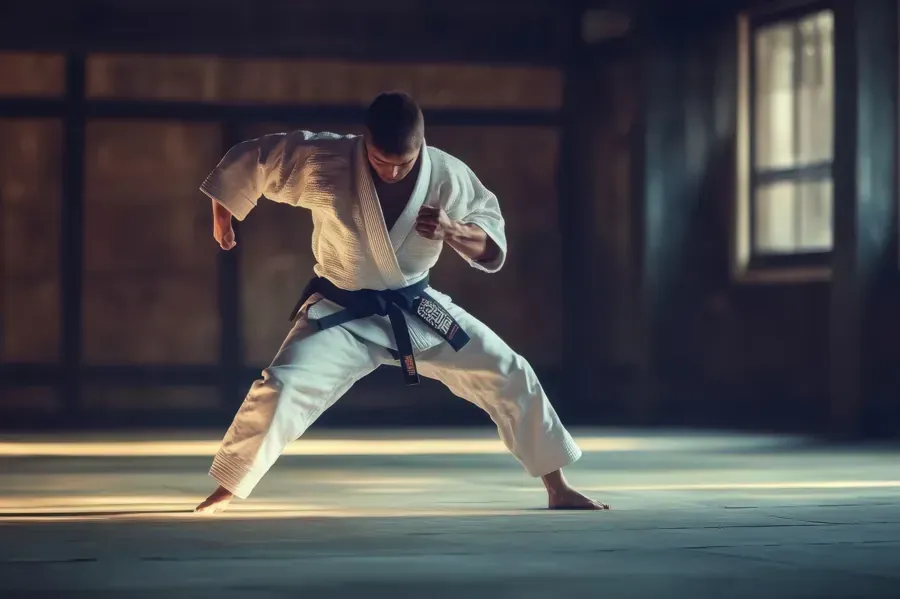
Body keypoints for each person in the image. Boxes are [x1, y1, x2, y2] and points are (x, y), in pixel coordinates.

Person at [194, 91, 608, 513]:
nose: (391, 171)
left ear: (422, 147)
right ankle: (227, 489)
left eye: (404, 163)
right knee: (281, 387)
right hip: (340, 311)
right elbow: (252, 159)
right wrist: (223, 217)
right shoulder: (326, 158)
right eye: (379, 159)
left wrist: (452, 230)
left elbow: (491, 241)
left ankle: (558, 487)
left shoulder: (448, 174)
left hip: (416, 308)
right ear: (364, 141)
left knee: (508, 369)